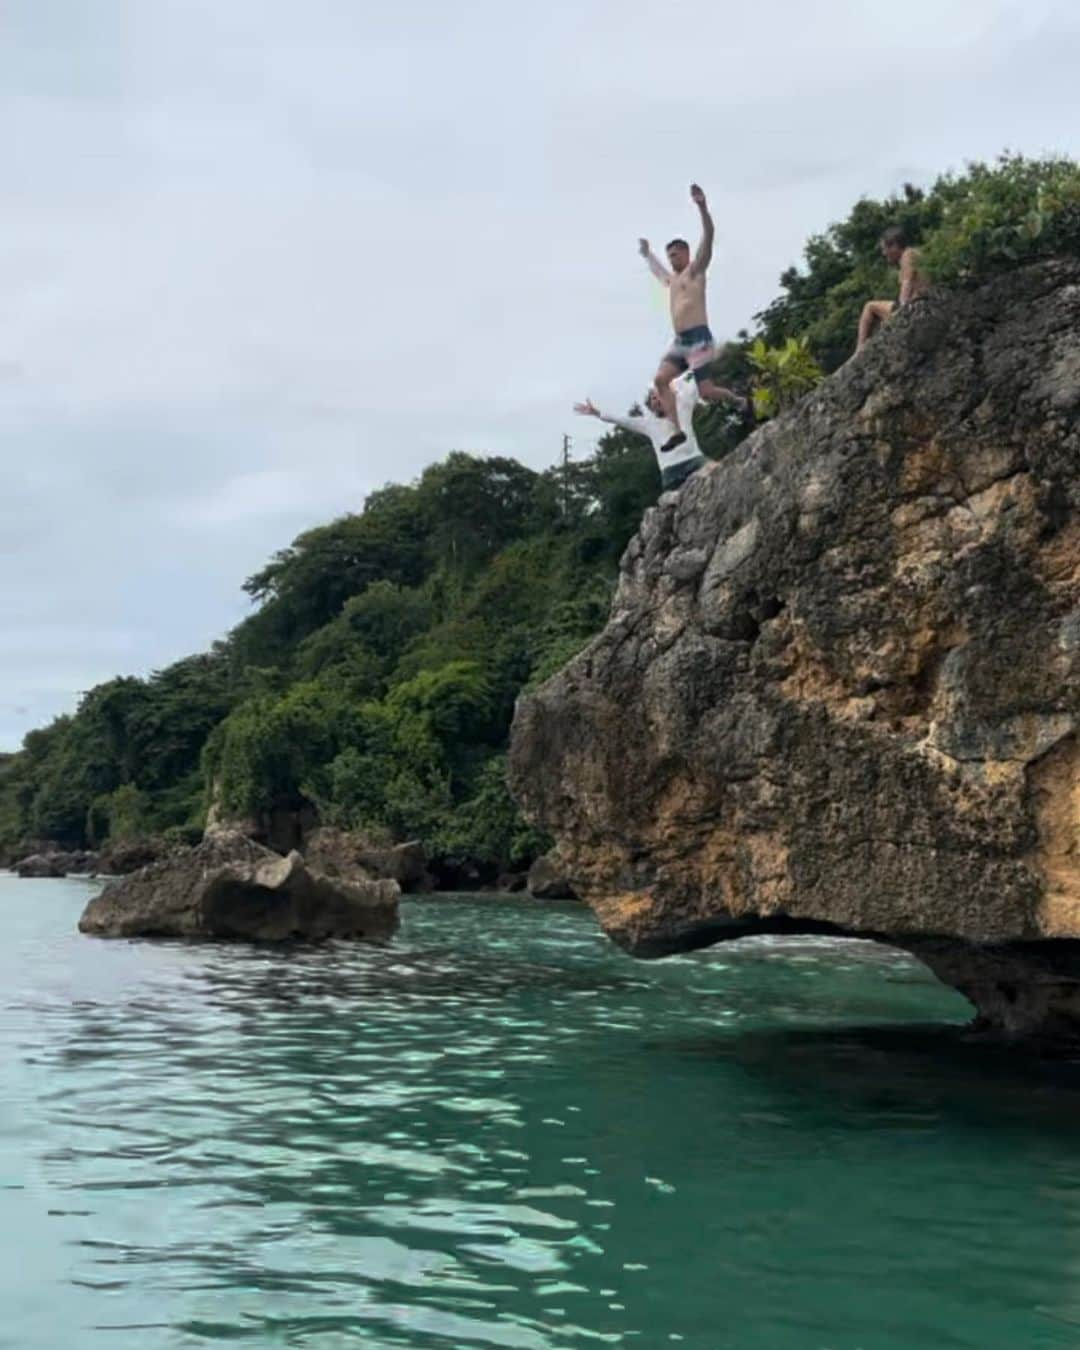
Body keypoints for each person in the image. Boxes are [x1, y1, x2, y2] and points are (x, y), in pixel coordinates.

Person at [639, 182, 747, 453]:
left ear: (686, 253)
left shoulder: (696, 271)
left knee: (707, 392)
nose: (672, 258)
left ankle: (738, 400)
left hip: (699, 338)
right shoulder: (672, 280)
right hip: (680, 340)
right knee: (661, 380)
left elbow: (709, 237)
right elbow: (657, 272)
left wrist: (702, 207)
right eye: (669, 255)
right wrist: (647, 254)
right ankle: (677, 432)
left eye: (675, 254)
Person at [573, 371, 707, 493]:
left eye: (659, 397)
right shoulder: (649, 424)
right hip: (671, 470)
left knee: (714, 470)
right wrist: (597, 413)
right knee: (675, 496)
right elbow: (622, 420)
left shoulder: (683, 407)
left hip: (694, 460)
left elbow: (692, 380)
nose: (656, 401)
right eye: (653, 398)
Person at [855, 226, 930, 352]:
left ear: (894, 245)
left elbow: (908, 281)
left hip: (914, 305)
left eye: (885, 248)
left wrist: (902, 309)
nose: (884, 253)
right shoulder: (916, 254)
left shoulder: (908, 255)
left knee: (870, 307)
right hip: (918, 302)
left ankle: (859, 348)